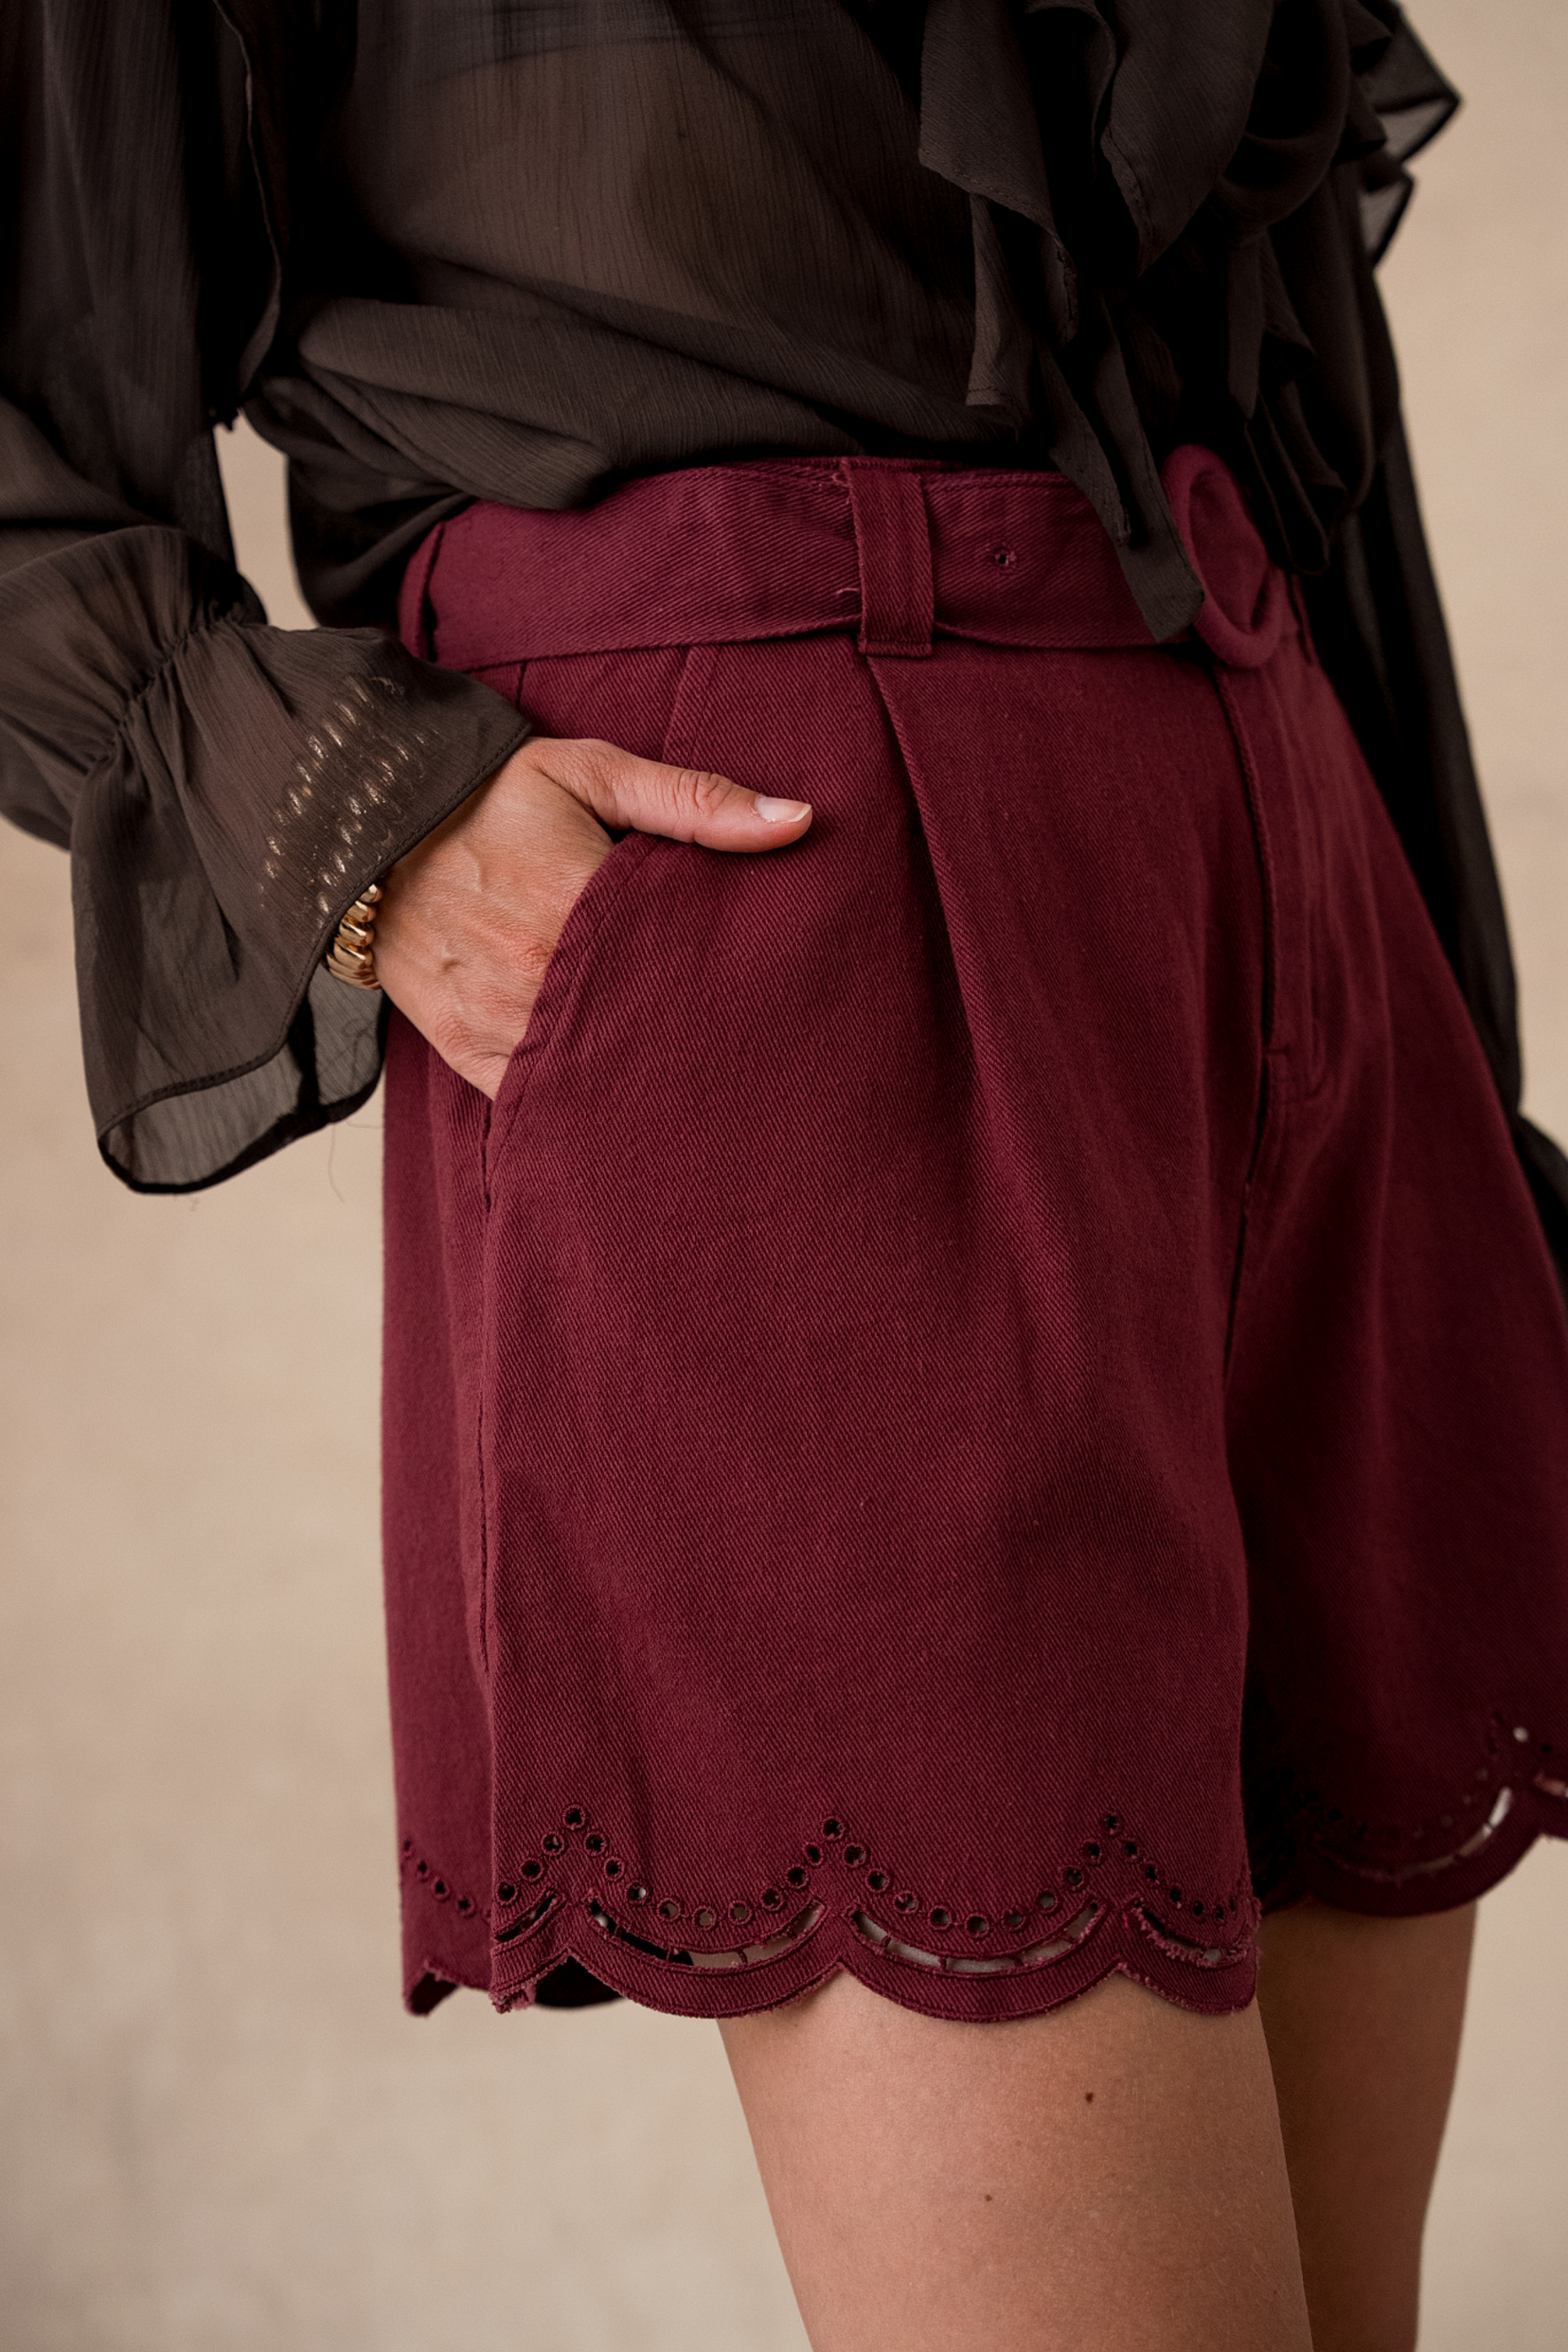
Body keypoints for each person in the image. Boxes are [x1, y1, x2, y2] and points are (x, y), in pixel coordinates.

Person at [4, 4, 1567, 2345]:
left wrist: (1438, 1048)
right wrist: (349, 823)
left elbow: (1291, 347)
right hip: (806, 880)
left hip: (1285, 862)